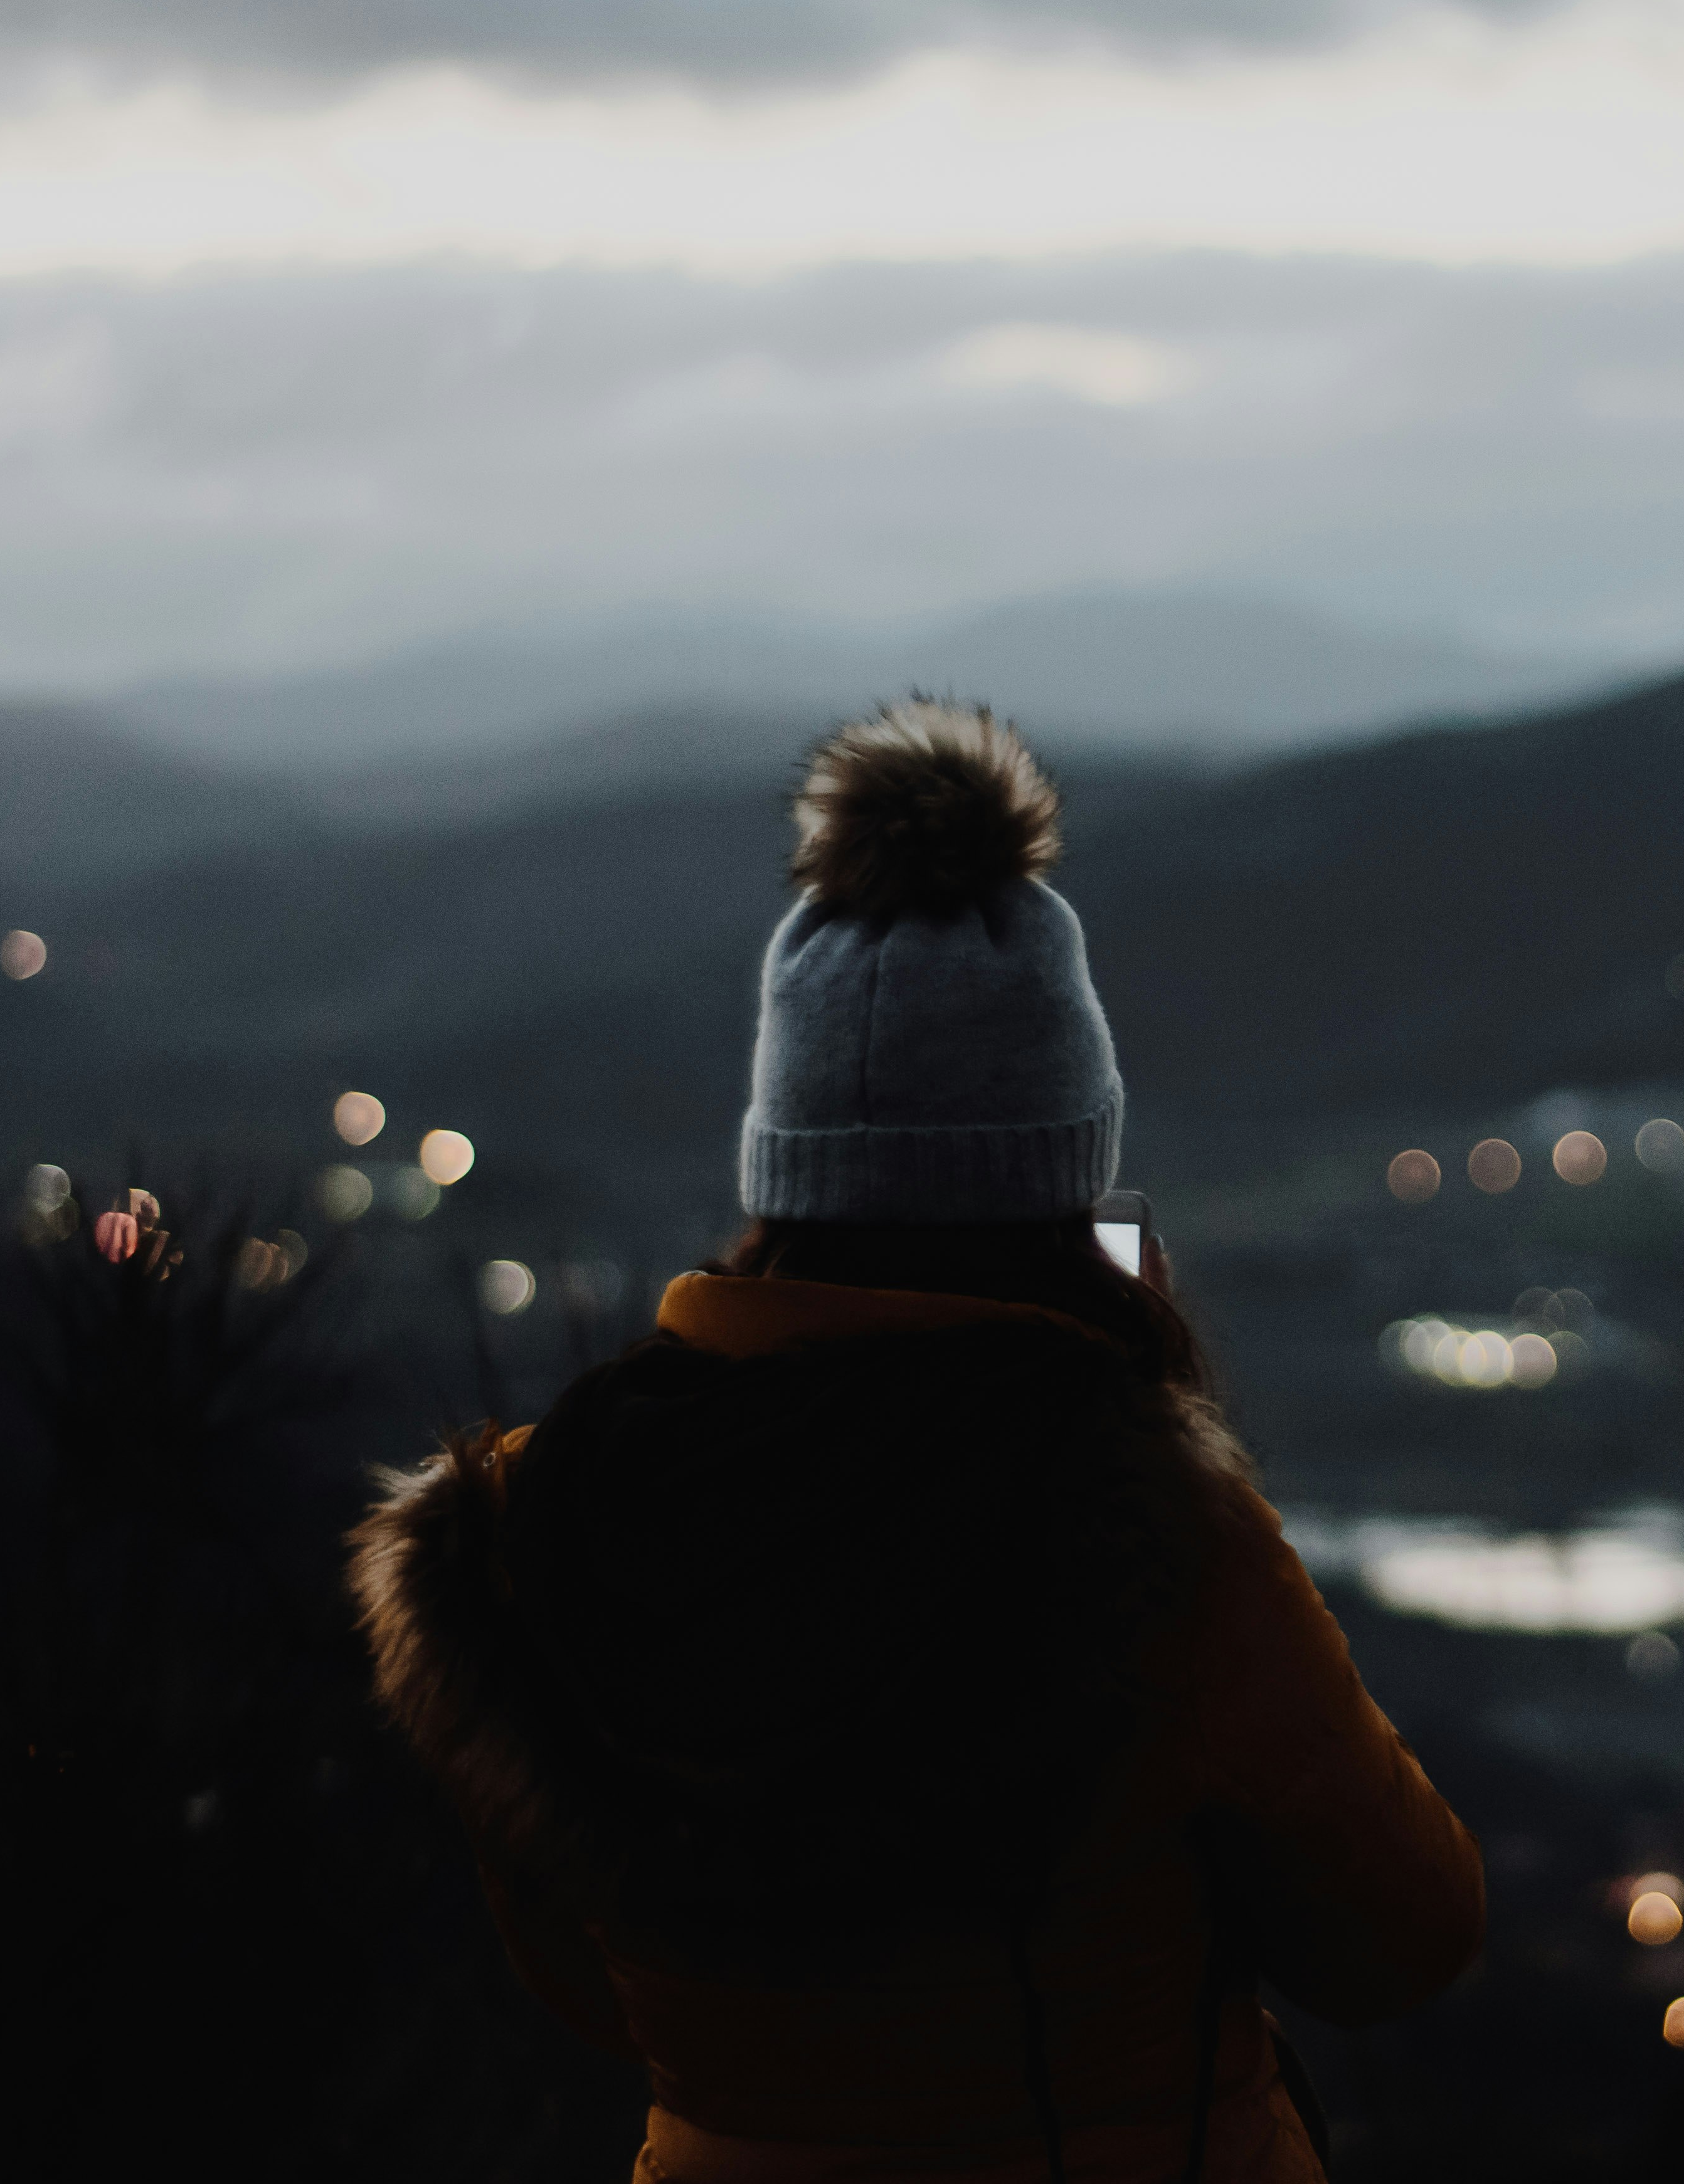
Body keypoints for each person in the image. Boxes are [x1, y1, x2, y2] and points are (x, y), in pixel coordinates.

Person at [348, 702, 1483, 2184]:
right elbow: (1406, 1934)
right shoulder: (1136, 1525)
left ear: (780, 1178)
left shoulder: (537, 1527)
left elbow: (587, 1979)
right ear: (1072, 1185)